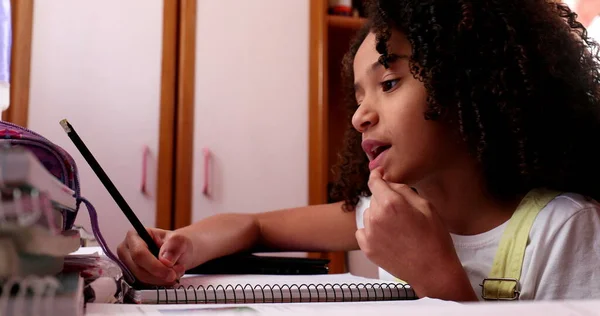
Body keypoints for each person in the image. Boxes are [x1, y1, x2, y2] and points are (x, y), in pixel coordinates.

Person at [117, 0, 600, 301]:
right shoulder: (383, 213)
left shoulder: (562, 230)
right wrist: (184, 243)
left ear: (473, 84)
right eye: (357, 97)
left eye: (388, 83)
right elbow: (255, 225)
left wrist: (439, 278)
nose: (359, 116)